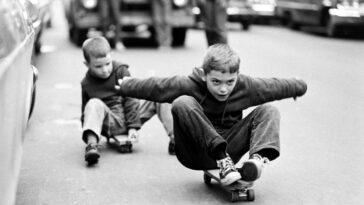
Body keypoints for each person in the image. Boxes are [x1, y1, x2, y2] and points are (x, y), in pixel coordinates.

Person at [116, 44, 307, 186]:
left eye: (230, 82)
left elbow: (273, 87)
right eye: (216, 81)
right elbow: (157, 87)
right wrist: (125, 86)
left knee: (269, 110)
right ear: (203, 75)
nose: (223, 89)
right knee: (182, 102)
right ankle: (222, 160)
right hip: (194, 152)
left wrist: (299, 87)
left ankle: (256, 161)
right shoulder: (189, 84)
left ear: (237, 75)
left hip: (231, 150)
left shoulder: (245, 87)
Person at [80, 37, 174, 165]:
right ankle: (92, 147)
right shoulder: (86, 84)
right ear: (87, 64)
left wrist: (132, 127)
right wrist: (94, 133)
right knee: (93, 103)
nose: (105, 70)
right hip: (111, 122)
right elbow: (85, 115)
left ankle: (175, 139)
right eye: (98, 66)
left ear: (111, 56)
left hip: (132, 115)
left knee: (160, 94)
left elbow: (131, 98)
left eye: (107, 63)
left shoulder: (121, 70)